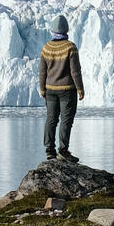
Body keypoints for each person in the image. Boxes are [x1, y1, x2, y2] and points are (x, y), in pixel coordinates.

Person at [39, 14, 84, 162]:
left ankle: (49, 150)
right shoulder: (70, 47)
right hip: (67, 90)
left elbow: (43, 71)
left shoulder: (47, 47)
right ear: (66, 29)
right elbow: (75, 71)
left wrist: (42, 89)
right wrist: (80, 88)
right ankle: (63, 150)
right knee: (66, 120)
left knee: (51, 119)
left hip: (50, 89)